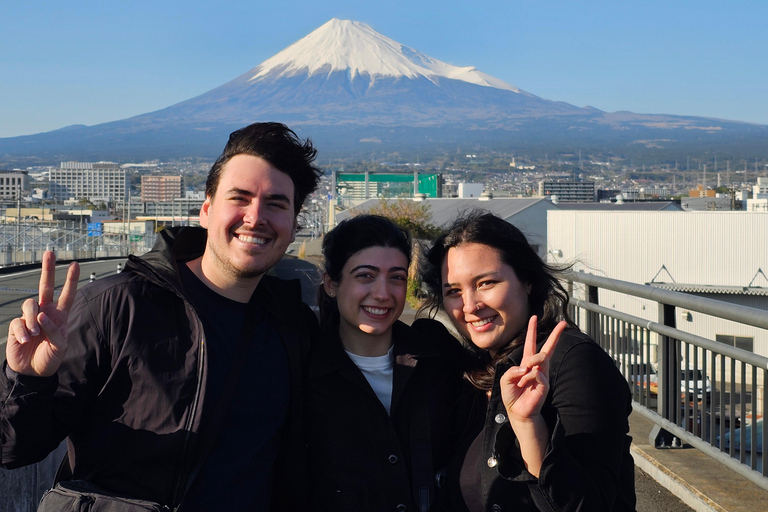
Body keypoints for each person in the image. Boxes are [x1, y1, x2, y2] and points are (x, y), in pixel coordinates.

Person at [1, 122, 322, 511]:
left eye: (276, 203)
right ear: (205, 211)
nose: (255, 217)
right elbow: (13, 449)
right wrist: (30, 379)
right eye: (240, 197)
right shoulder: (118, 306)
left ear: (295, 227)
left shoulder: (295, 329)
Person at [414, 210, 636, 511]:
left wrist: (529, 425)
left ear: (527, 280)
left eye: (486, 283)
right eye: (453, 291)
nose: (470, 306)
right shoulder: (478, 372)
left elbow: (589, 504)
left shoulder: (573, 361)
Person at [305, 215, 465, 512]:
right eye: (365, 275)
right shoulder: (303, 373)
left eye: (397, 277)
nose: (383, 293)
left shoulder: (439, 360)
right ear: (331, 284)